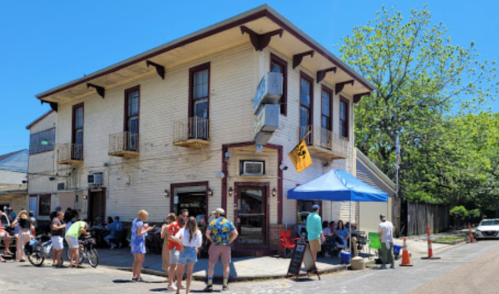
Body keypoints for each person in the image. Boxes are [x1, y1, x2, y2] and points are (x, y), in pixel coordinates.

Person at [204, 208, 239, 292]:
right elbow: (236, 234)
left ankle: (209, 284)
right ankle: (225, 285)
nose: (215, 215)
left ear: (219, 214)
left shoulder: (213, 222)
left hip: (215, 245)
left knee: (211, 265)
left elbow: (207, 233)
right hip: (225, 246)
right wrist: (229, 241)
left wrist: (212, 240)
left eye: (215, 214)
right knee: (226, 265)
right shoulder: (229, 222)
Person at [175, 216, 203, 294]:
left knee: (180, 272)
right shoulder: (198, 232)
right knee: (189, 273)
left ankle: (178, 290)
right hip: (193, 250)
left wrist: (181, 245)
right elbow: (199, 244)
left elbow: (176, 237)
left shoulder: (183, 230)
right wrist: (196, 247)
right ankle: (187, 291)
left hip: (184, 250)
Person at [167, 209, 188, 291]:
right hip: (174, 248)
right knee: (173, 266)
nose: (185, 217)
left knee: (181, 266)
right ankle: (170, 284)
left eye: (186, 216)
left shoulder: (185, 225)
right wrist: (178, 241)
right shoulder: (174, 224)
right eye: (184, 215)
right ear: (180, 215)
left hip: (182, 248)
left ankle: (179, 282)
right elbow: (169, 236)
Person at [131, 210, 154, 282]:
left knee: (136, 260)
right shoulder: (140, 223)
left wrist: (143, 227)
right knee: (140, 261)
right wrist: (147, 229)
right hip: (139, 242)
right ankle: (138, 276)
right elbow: (139, 233)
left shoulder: (135, 221)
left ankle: (134, 275)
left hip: (133, 242)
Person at [161, 213, 176, 283]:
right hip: (176, 245)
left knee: (168, 262)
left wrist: (162, 228)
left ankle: (170, 278)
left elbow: (162, 236)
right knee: (174, 262)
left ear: (169, 219)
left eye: (167, 218)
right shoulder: (177, 225)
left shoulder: (167, 226)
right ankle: (173, 277)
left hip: (167, 245)